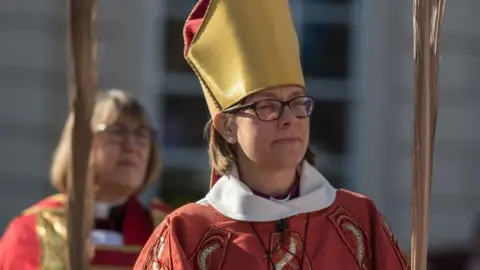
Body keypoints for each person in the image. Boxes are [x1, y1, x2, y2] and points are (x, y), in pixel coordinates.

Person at [134, 0, 410, 269]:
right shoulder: (187, 233)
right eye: (267, 106)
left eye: (298, 102)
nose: (289, 119)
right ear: (227, 127)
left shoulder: (359, 220)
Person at [0, 89, 173, 269]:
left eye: (141, 135)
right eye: (117, 132)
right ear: (80, 144)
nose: (131, 146)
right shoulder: (34, 230)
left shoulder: (166, 233)